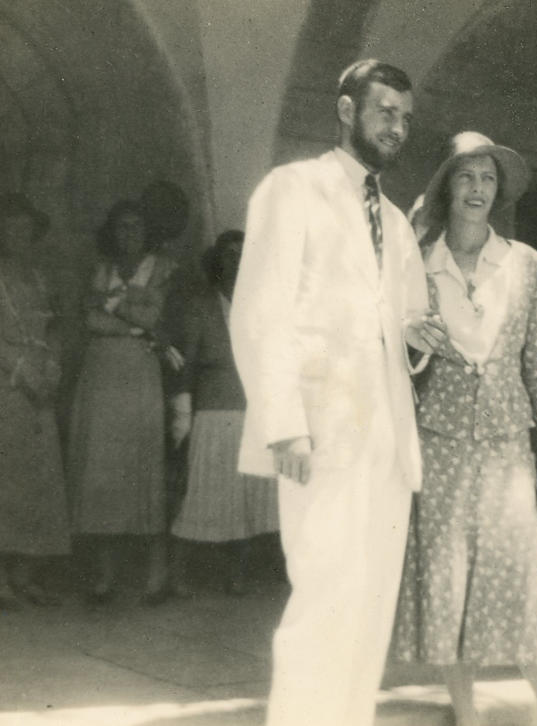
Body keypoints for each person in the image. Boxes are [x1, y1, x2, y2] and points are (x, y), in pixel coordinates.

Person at [230, 59, 446, 726]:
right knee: (323, 597)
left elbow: (406, 325)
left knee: (369, 607)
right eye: (386, 112)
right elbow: (259, 310)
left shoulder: (395, 221)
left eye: (406, 118)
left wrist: (419, 341)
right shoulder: (291, 189)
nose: (397, 128)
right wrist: (283, 421)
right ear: (347, 111)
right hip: (319, 430)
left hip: (386, 439)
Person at [391, 131, 537, 726]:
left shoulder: (525, 264)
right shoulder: (418, 262)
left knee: (522, 579)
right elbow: (390, 354)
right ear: (447, 186)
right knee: (448, 581)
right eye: (466, 176)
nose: (477, 189)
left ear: (499, 191)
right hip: (437, 439)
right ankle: (466, 715)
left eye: (488, 178)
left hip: (507, 444)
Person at [68, 200, 177, 605]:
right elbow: (90, 320)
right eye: (121, 227)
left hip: (138, 374)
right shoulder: (100, 268)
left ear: (146, 231)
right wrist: (134, 314)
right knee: (103, 470)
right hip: (101, 375)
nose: (128, 233)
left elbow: (155, 319)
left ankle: (155, 576)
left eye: (136, 226)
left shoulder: (163, 268)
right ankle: (105, 577)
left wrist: (116, 308)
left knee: (141, 466)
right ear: (111, 231)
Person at [168, 230, 279, 596]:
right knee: (202, 494)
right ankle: (178, 575)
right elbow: (184, 366)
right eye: (229, 255)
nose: (236, 261)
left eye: (243, 254)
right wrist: (182, 417)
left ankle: (237, 574)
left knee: (246, 498)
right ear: (218, 262)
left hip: (254, 415)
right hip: (214, 415)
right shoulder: (201, 307)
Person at [0, 194, 71, 609]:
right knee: (4, 480)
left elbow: (55, 328)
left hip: (40, 388)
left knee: (38, 482)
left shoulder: (40, 277)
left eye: (26, 227)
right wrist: (20, 370)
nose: (18, 234)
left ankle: (26, 576)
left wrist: (54, 366)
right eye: (11, 227)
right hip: (7, 385)